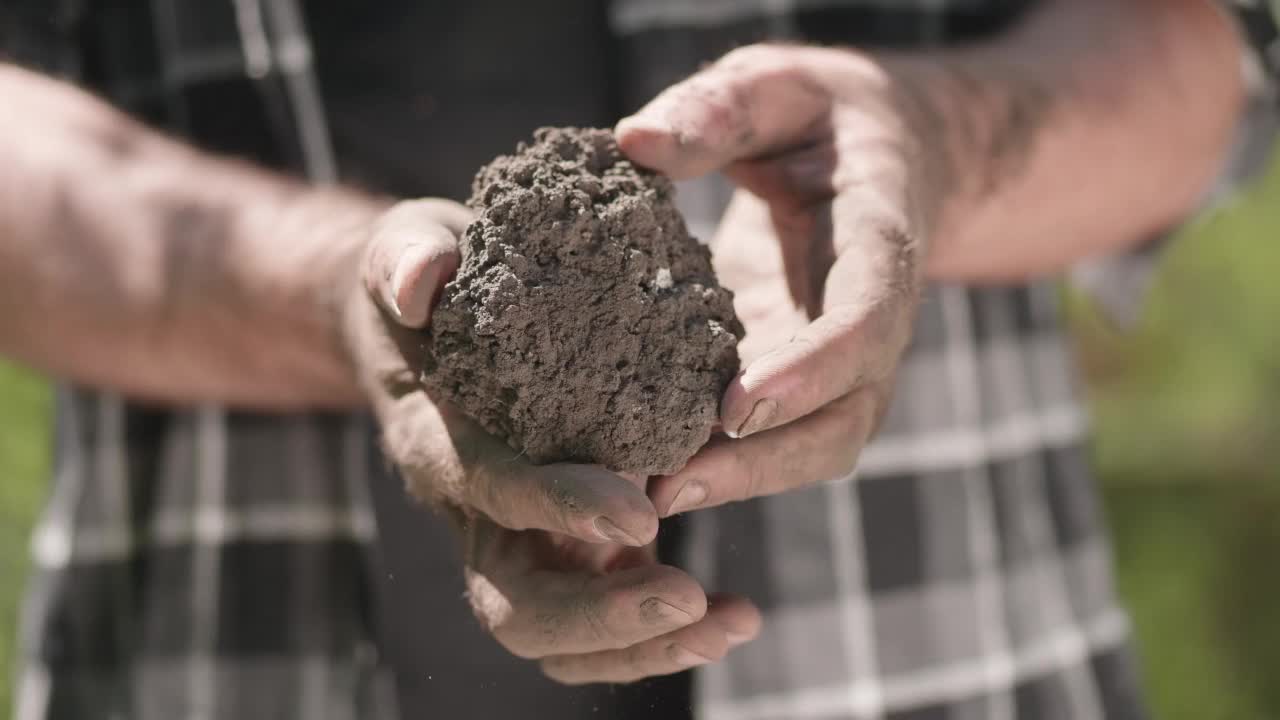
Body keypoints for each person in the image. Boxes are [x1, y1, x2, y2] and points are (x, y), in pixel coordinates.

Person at [2, 2, 1276, 720]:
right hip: (213, 667)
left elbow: (1207, 59)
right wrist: (322, 282)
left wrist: (932, 138)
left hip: (938, 666)